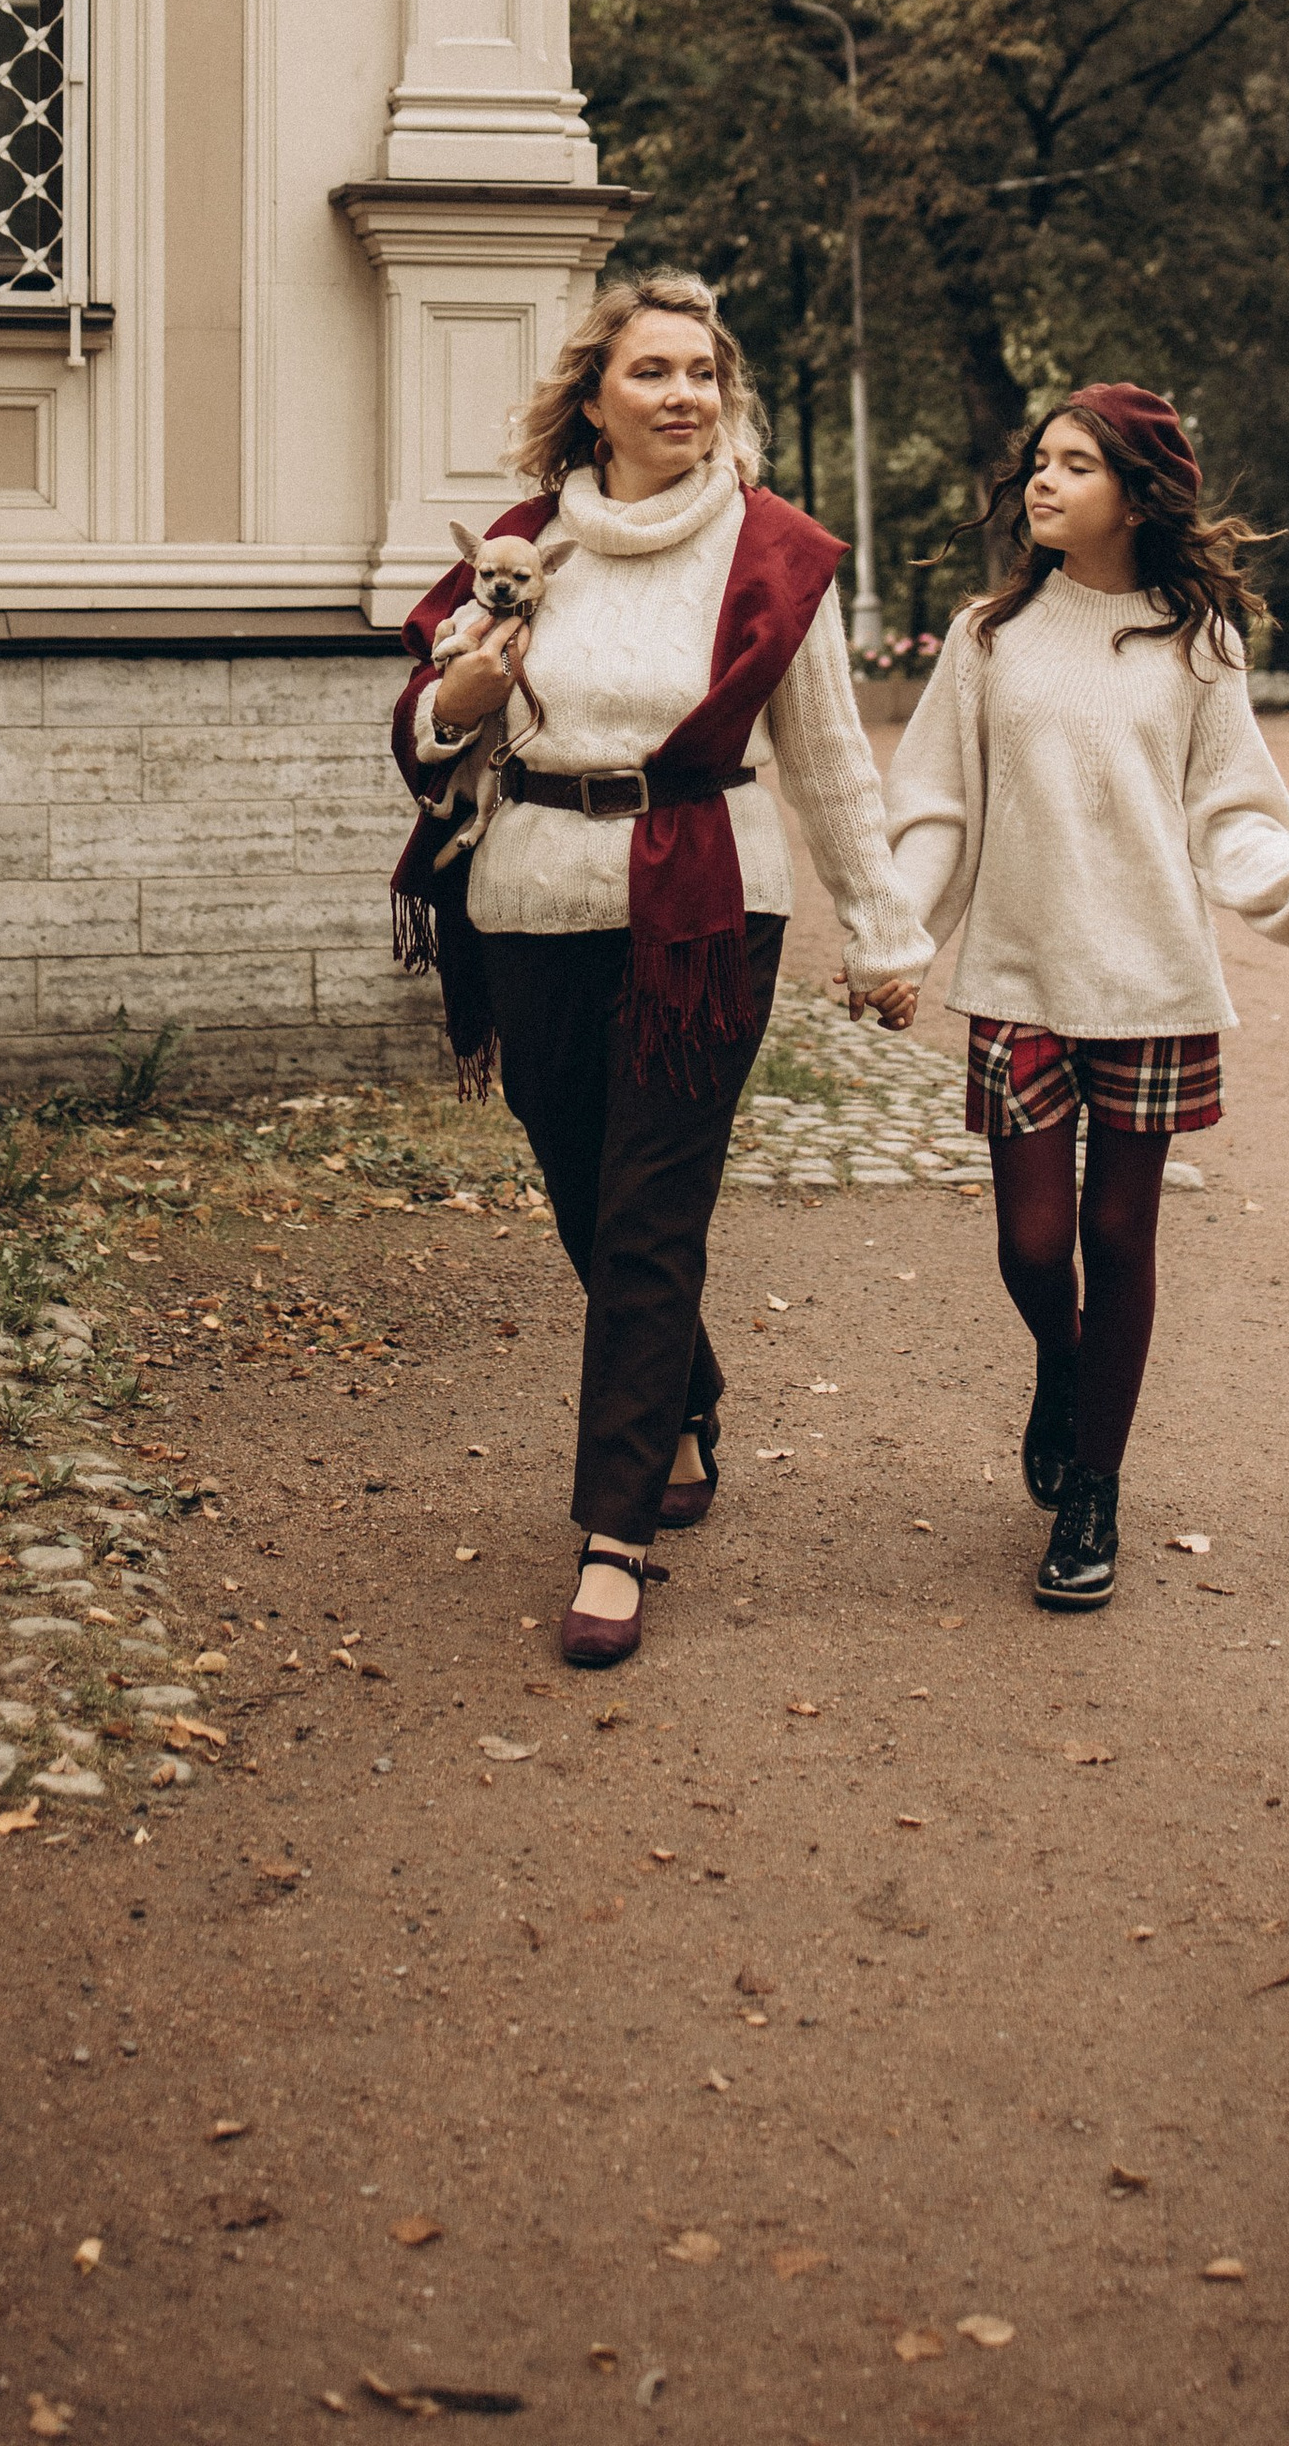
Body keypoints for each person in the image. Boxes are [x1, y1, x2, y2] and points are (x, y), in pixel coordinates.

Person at [389, 272, 930, 1669]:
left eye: (702, 372)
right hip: (529, 899)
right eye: (653, 372)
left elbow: (825, 761)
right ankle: (683, 1388)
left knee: (650, 1206)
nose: (683, 394)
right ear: (593, 397)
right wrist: (465, 697)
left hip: (706, 905)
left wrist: (881, 931)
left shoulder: (770, 552)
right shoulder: (519, 543)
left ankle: (611, 1534)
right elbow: (428, 730)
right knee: (579, 1182)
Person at [884, 383, 1289, 1612]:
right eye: (1038, 463)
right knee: (1031, 1247)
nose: (1042, 484)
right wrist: (895, 937)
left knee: (1118, 1241)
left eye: (1073, 465)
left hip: (1153, 983)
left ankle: (1092, 1493)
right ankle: (1063, 1370)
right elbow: (937, 809)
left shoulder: (1197, 642)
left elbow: (1234, 821)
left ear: (1134, 489)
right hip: (1018, 976)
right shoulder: (987, 637)